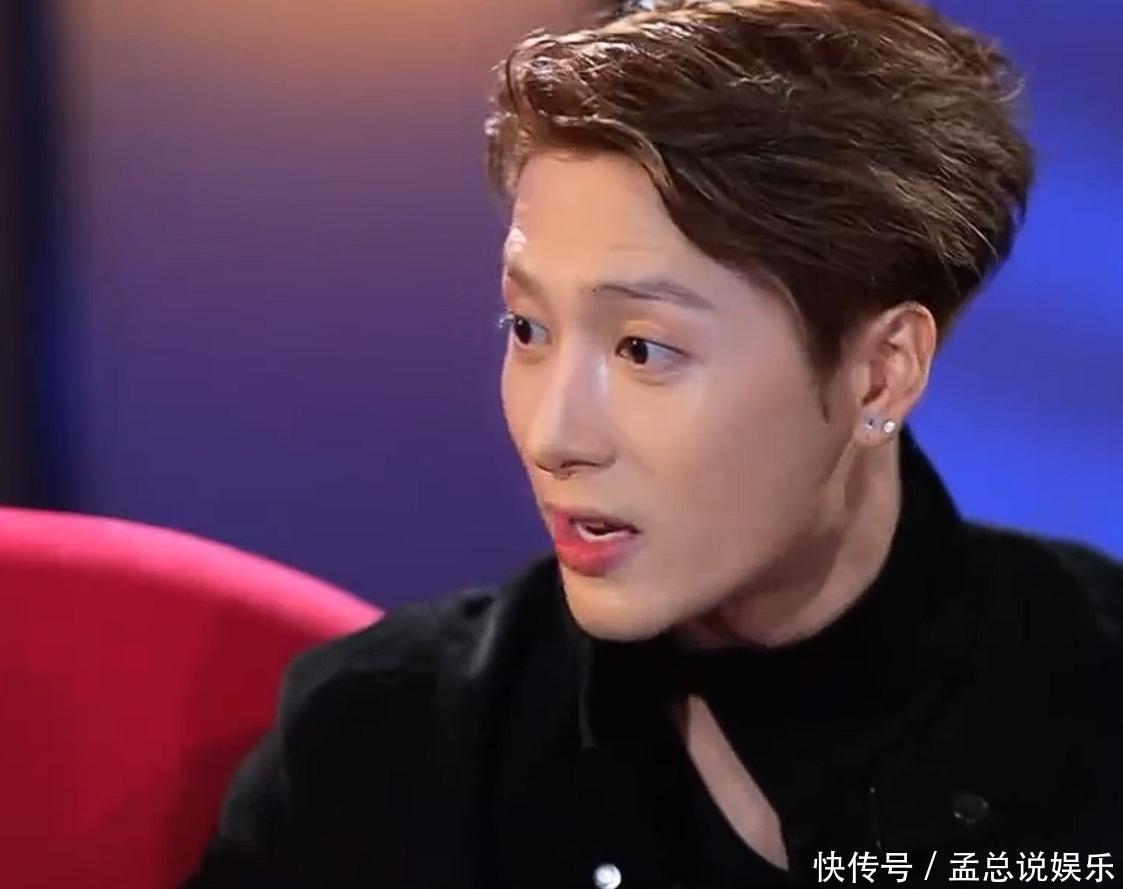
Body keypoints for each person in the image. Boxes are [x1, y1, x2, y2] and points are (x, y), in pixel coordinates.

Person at [182, 1, 1123, 887]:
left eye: (642, 348)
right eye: (527, 329)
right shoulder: (383, 743)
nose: (553, 435)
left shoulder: (1096, 694)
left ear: (880, 373)